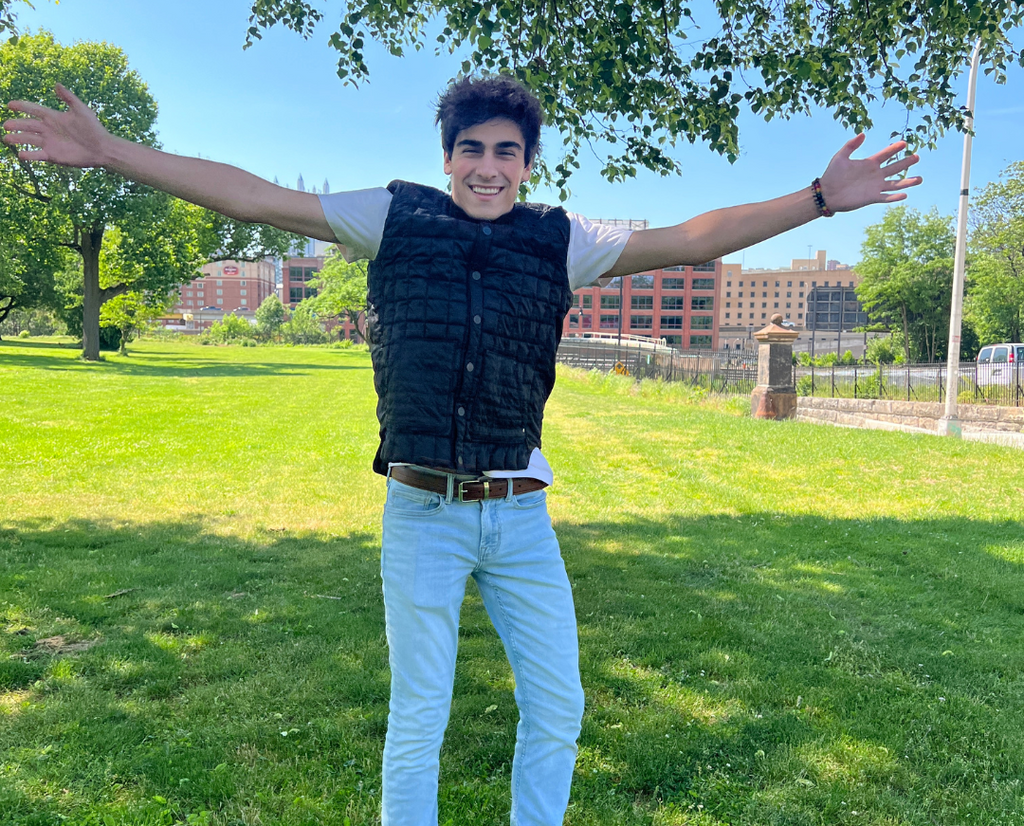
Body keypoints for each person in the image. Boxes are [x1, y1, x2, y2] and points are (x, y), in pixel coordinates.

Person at [3, 76, 922, 825]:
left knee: (558, 708)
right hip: (423, 511)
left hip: (521, 514)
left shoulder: (563, 240)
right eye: (472, 149)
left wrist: (814, 200)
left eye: (506, 151)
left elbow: (694, 236)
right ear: (449, 157)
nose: (488, 167)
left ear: (527, 163)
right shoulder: (391, 217)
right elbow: (250, 193)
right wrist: (111, 152)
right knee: (418, 717)